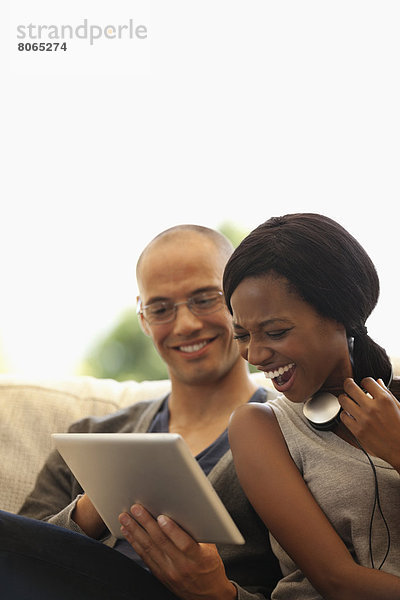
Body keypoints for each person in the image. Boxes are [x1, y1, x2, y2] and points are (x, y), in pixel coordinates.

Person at [1, 224, 282, 600]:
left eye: (204, 299)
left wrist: (218, 593)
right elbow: (14, 550)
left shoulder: (288, 434)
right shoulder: (88, 438)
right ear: (144, 321)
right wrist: (93, 506)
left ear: (239, 304)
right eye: (161, 308)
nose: (186, 324)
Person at [223, 213, 400, 600]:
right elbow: (337, 581)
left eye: (276, 332)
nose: (254, 354)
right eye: (242, 335)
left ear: (340, 316)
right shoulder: (260, 425)